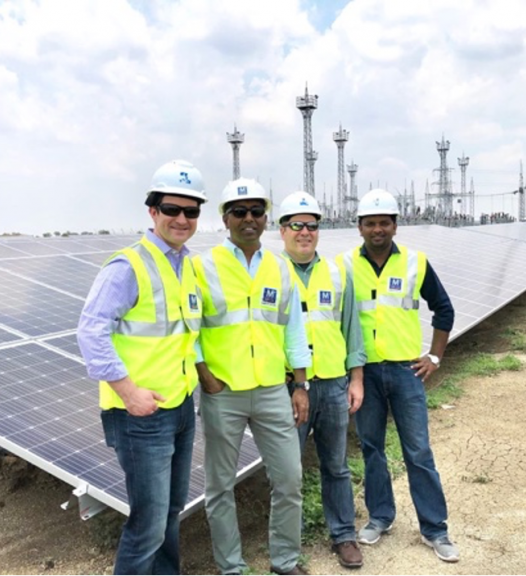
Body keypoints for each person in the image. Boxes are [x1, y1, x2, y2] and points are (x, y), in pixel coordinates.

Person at [77, 159, 206, 575]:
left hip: (181, 407)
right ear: (152, 211)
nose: (182, 219)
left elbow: (183, 334)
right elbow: (90, 331)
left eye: (191, 211)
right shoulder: (127, 266)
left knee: (170, 513)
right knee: (148, 525)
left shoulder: (186, 265)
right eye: (172, 209)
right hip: (142, 417)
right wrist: (129, 393)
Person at [192, 178, 312, 576]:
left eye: (257, 212)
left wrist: (299, 384)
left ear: (266, 218)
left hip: (272, 390)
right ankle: (231, 567)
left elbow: (293, 329)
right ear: (225, 218)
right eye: (239, 212)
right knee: (220, 487)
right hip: (222, 392)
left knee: (290, 479)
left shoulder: (280, 268)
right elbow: (187, 327)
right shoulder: (201, 266)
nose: (249, 219)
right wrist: (204, 374)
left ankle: (285, 560)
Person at [341, 188, 460, 563]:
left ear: (395, 225)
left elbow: (444, 309)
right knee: (372, 447)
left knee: (418, 450)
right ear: (359, 227)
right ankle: (380, 517)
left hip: (407, 370)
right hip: (365, 373)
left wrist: (435, 358)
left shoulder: (415, 262)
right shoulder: (343, 265)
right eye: (370, 223)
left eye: (384, 222)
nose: (377, 229)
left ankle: (435, 529)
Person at [277, 191, 366, 569]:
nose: (305, 232)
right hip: (285, 387)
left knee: (336, 465)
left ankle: (343, 534)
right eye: (296, 224)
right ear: (282, 230)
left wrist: (356, 379)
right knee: (287, 472)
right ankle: (287, 549)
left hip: (332, 383)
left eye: (312, 225)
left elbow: (352, 329)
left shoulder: (337, 272)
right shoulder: (270, 271)